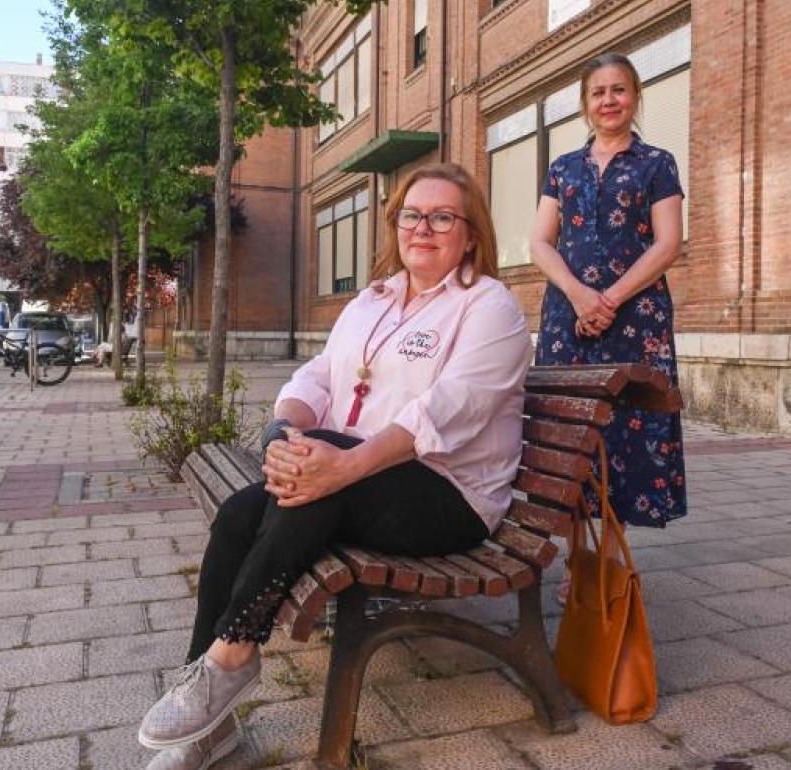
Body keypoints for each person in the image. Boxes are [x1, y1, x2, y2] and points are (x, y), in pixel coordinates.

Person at [137, 162, 531, 770]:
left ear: (471, 233)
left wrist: (338, 467)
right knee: (242, 513)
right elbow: (318, 377)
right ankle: (210, 730)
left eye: (442, 217)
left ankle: (234, 653)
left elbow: (447, 412)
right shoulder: (373, 300)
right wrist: (284, 433)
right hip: (364, 475)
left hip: (449, 495)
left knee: (319, 485)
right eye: (411, 215)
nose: (422, 228)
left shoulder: (490, 308)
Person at [530, 52, 687, 536]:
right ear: (585, 103)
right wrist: (580, 297)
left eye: (618, 90)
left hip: (635, 318)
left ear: (635, 96)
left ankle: (610, 560)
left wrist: (609, 300)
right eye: (598, 92)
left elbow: (668, 242)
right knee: (567, 433)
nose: (609, 100)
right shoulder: (563, 167)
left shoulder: (657, 164)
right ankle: (578, 559)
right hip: (567, 317)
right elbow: (539, 242)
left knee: (625, 432)